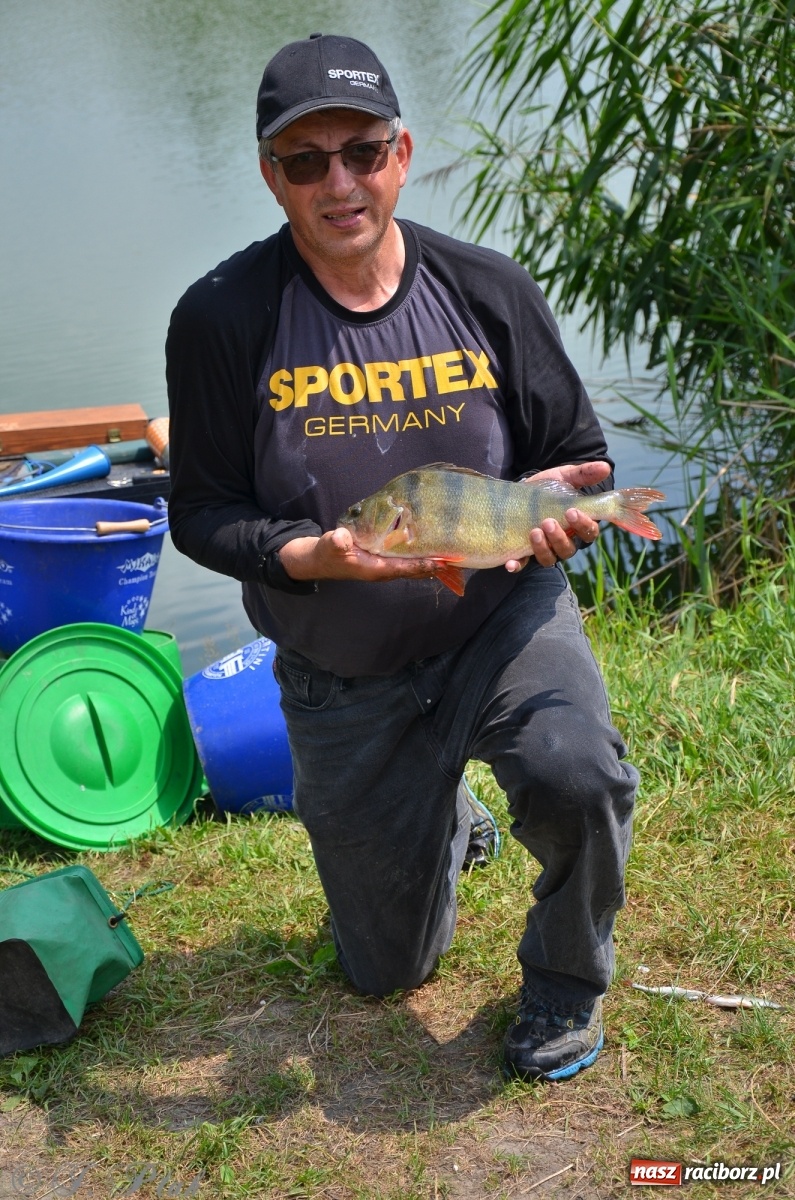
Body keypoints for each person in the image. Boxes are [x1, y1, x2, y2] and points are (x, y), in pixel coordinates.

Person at [166, 33, 638, 1083]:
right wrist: (311, 556)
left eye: (363, 152)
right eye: (306, 161)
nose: (341, 182)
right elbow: (199, 512)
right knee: (387, 970)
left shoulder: (486, 288)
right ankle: (445, 820)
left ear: (402, 153)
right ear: (270, 175)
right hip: (343, 672)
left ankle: (565, 985)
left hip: (498, 624)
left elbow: (577, 453)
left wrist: (567, 506)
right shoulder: (222, 319)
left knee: (579, 773)